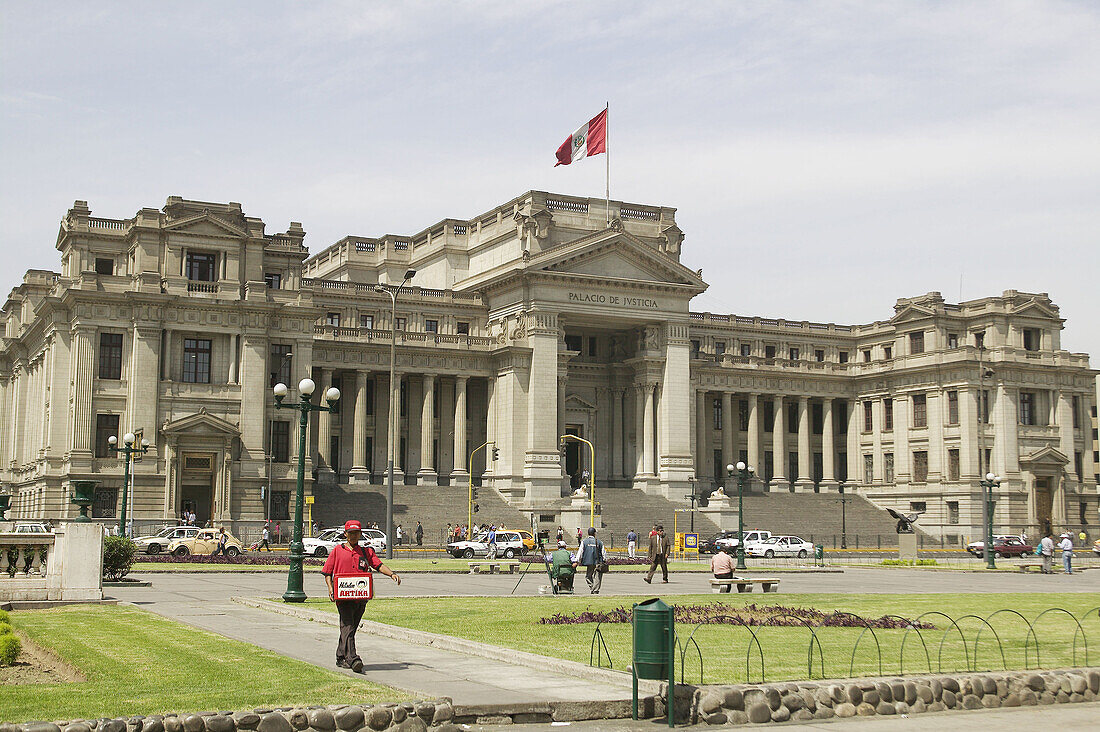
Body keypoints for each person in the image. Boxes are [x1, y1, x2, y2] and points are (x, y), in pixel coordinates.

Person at [322, 520, 401, 673]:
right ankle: (353, 659)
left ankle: (340, 655)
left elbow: (378, 565)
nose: (353, 536)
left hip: (361, 597)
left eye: (356, 533)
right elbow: (327, 573)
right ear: (345, 534)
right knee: (348, 626)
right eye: (350, 533)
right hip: (343, 598)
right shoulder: (337, 551)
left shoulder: (366, 552)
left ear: (360, 534)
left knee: (349, 628)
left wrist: (392, 574)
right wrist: (330, 588)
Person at [575, 527, 608, 594]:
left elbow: (580, 552)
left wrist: (577, 560)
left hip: (589, 562)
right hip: (598, 562)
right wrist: (605, 559)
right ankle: (595, 589)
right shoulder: (599, 542)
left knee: (588, 576)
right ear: (594, 533)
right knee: (598, 577)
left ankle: (592, 587)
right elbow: (603, 552)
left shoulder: (584, 542)